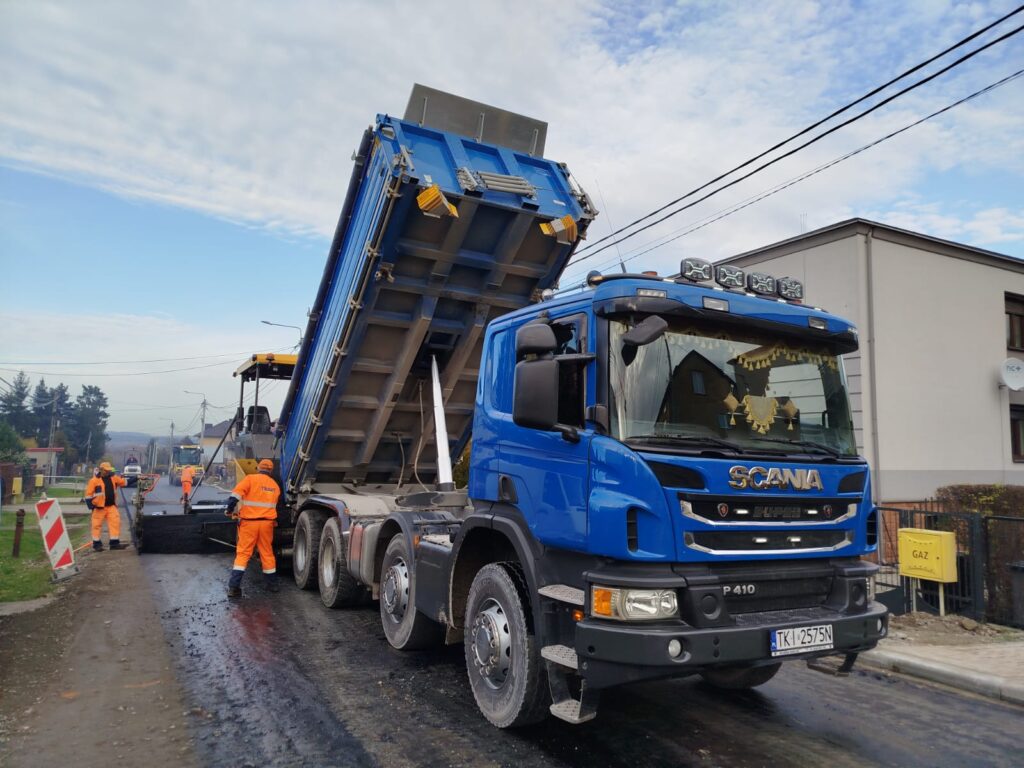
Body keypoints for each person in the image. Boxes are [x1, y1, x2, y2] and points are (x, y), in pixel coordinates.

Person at [226, 459, 280, 598]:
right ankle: (272, 585)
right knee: (267, 554)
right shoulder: (275, 485)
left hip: (249, 523)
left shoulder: (250, 479)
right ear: (271, 471)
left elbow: (236, 495)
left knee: (243, 554)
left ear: (258, 468)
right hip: (267, 524)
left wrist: (229, 509)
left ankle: (234, 588)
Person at [84, 461, 127, 551]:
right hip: (99, 507)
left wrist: (137, 478)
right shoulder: (94, 481)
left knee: (115, 523)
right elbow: (88, 495)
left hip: (111, 506)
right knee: (96, 525)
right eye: (106, 470)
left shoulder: (113, 478)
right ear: (101, 470)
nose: (107, 472)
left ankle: (114, 543)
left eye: (108, 470)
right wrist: (91, 507)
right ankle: (97, 545)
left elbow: (124, 482)